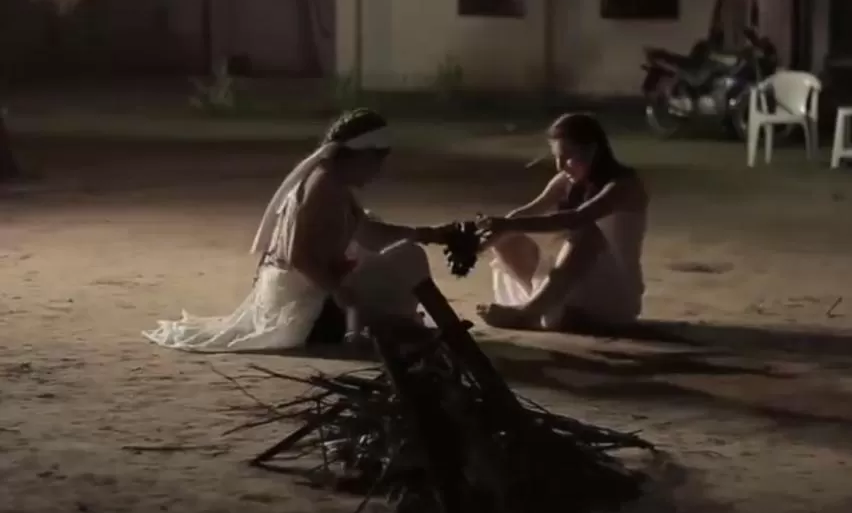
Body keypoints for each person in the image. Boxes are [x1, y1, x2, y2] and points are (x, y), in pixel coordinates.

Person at [143, 108, 448, 352]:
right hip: (306, 309)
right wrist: (344, 294)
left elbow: (368, 233)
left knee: (402, 252)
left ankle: (392, 323)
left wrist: (429, 233)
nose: (378, 171)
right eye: (377, 161)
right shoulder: (323, 186)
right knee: (407, 259)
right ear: (361, 155)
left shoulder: (334, 181)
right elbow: (298, 255)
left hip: (316, 293)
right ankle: (384, 326)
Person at [475, 113, 648, 332]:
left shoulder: (623, 185)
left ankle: (530, 312)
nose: (560, 166)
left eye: (567, 157)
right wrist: (483, 236)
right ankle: (546, 306)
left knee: (584, 232)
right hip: (569, 278)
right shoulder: (565, 179)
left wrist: (508, 225)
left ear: (592, 150)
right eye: (557, 157)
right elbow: (523, 214)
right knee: (506, 236)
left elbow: (577, 217)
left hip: (613, 292)